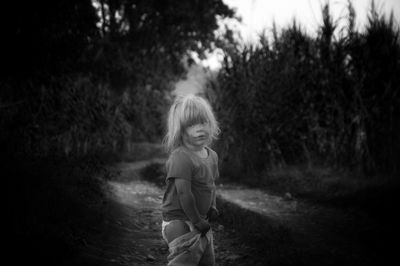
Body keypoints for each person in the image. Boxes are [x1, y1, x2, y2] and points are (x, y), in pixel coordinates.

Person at [161, 94, 220, 266]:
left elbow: (211, 185)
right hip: (180, 222)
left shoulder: (212, 156)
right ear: (181, 130)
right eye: (191, 125)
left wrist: (213, 205)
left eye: (203, 122)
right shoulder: (181, 157)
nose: (200, 128)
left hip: (201, 220)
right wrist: (196, 221)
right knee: (183, 262)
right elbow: (183, 193)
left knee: (207, 262)